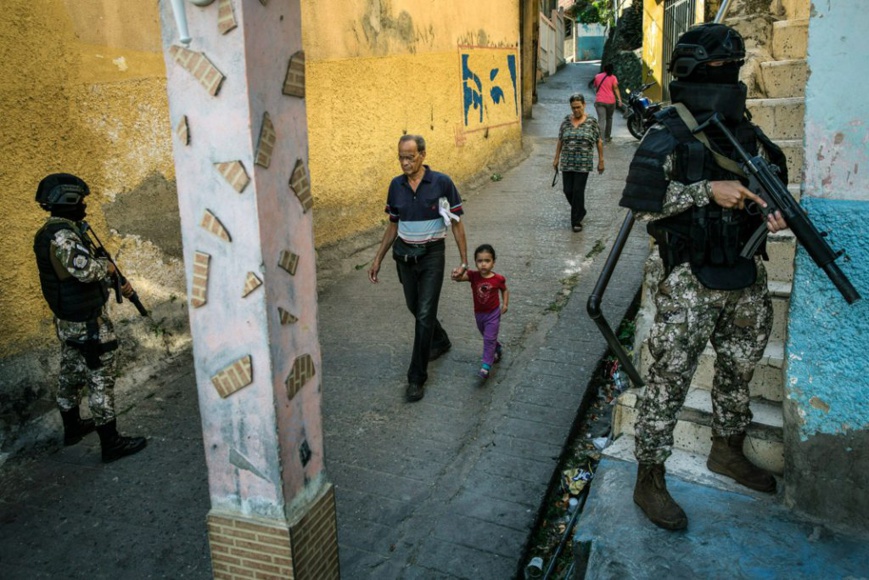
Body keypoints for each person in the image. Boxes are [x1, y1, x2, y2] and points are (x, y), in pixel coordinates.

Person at [618, 23, 789, 530]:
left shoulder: (746, 132)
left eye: (732, 68)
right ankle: (649, 478)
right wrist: (705, 191)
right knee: (669, 380)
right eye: (717, 68)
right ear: (689, 71)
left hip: (742, 271)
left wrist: (768, 213)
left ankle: (727, 450)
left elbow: (769, 187)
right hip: (688, 278)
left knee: (739, 370)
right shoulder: (667, 132)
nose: (725, 76)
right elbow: (643, 206)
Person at [33, 173, 148, 463]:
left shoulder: (58, 231)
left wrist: (113, 280)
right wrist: (108, 269)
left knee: (71, 371)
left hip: (70, 318)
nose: (84, 204)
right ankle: (111, 443)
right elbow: (84, 271)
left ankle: (72, 428)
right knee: (100, 378)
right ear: (68, 199)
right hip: (88, 322)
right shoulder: (62, 235)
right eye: (81, 199)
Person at [368, 135, 469, 402]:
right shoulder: (396, 185)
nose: (404, 162)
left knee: (424, 314)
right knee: (416, 307)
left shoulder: (442, 183)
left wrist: (464, 261)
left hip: (432, 255)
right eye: (401, 156)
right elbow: (393, 224)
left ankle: (416, 378)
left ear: (422, 155)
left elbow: (456, 223)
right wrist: (378, 257)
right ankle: (441, 340)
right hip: (404, 257)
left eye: (410, 157)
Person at [452, 244, 509, 379]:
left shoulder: (498, 279)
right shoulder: (473, 276)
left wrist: (505, 304)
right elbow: (460, 278)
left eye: (487, 261)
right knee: (487, 335)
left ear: (493, 263)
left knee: (488, 339)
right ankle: (497, 347)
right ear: (476, 262)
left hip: (493, 314)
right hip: (479, 314)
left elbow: (505, 289)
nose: (483, 264)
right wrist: (456, 273)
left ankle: (486, 366)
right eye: (480, 261)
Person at [553, 93, 605, 232]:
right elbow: (560, 140)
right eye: (573, 108)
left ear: (584, 105)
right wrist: (556, 158)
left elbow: (598, 141)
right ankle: (580, 210)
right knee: (567, 190)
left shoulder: (592, 122)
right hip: (567, 162)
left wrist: (601, 160)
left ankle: (576, 221)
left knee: (577, 191)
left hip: (583, 164)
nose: (576, 110)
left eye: (578, 107)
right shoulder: (565, 122)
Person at [593, 63, 623, 143]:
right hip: (611, 101)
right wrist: (619, 100)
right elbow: (616, 89)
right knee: (609, 118)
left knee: (601, 120)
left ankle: (600, 139)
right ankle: (607, 137)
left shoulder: (597, 76)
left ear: (604, 69)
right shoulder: (613, 78)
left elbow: (595, 86)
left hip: (600, 101)